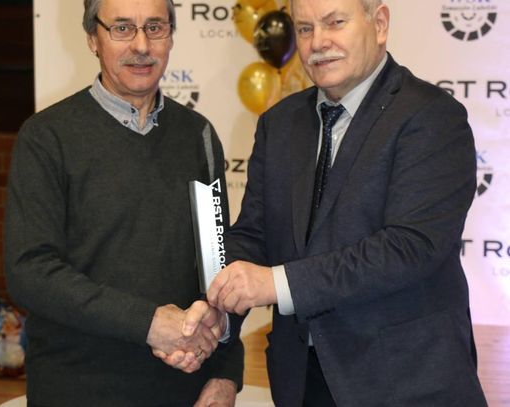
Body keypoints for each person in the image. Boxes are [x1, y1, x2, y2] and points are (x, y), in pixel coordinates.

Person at [206, 0, 488, 406]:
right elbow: (253, 235)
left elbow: (409, 247)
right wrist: (217, 310)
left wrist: (277, 283)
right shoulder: (279, 123)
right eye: (305, 29)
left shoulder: (432, 116)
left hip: (406, 384)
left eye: (335, 22)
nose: (318, 42)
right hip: (301, 382)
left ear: (380, 24)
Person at [3, 0, 243, 406]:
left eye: (155, 27)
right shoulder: (46, 138)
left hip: (183, 390)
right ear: (92, 38)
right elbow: (29, 272)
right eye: (122, 28)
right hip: (78, 391)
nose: (141, 46)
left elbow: (216, 266)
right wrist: (148, 323)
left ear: (170, 36)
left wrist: (225, 373)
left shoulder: (198, 135)